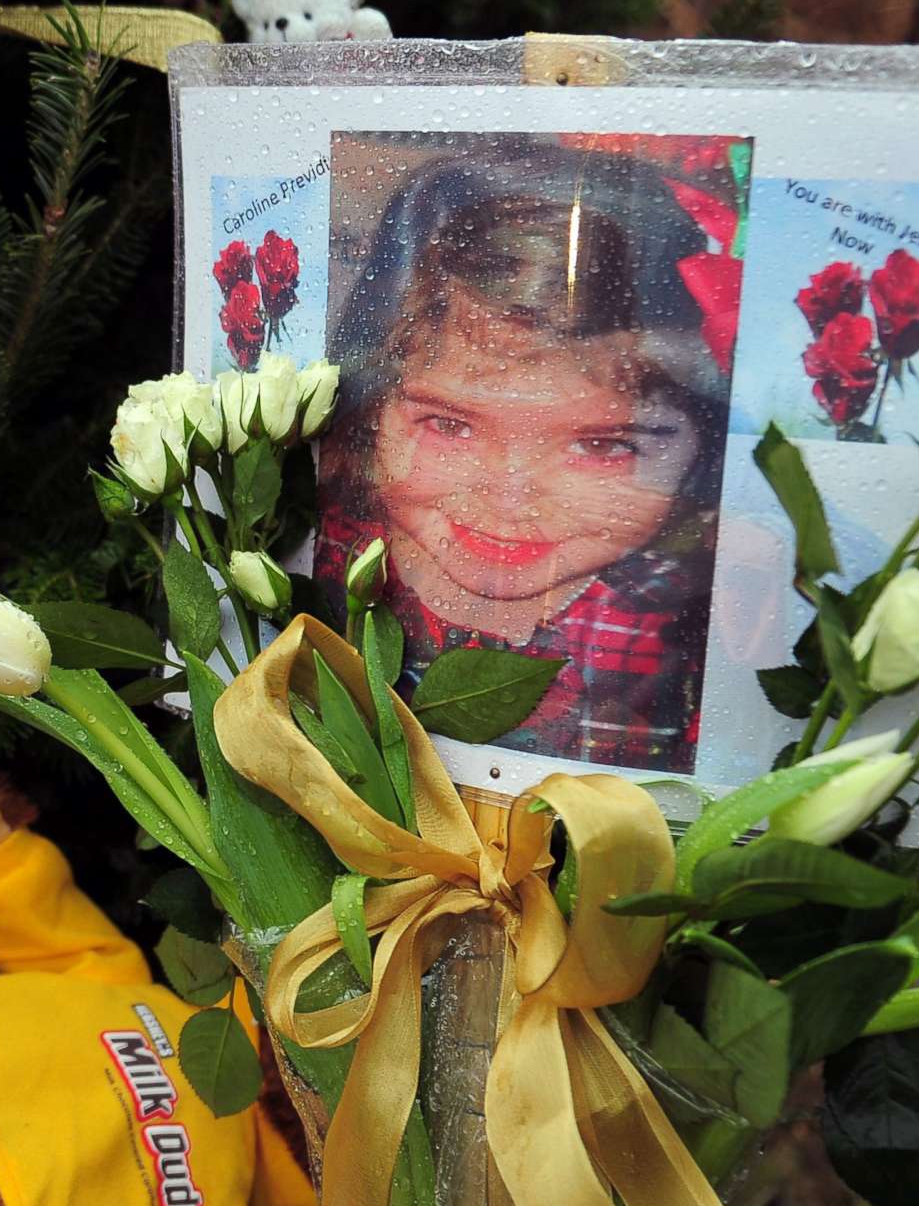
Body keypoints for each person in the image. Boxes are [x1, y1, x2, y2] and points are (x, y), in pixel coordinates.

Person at [316, 135, 738, 771]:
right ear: (369, 412)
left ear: (702, 443)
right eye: (450, 426)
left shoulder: (695, 624)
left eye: (600, 445)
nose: (509, 497)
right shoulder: (324, 557)